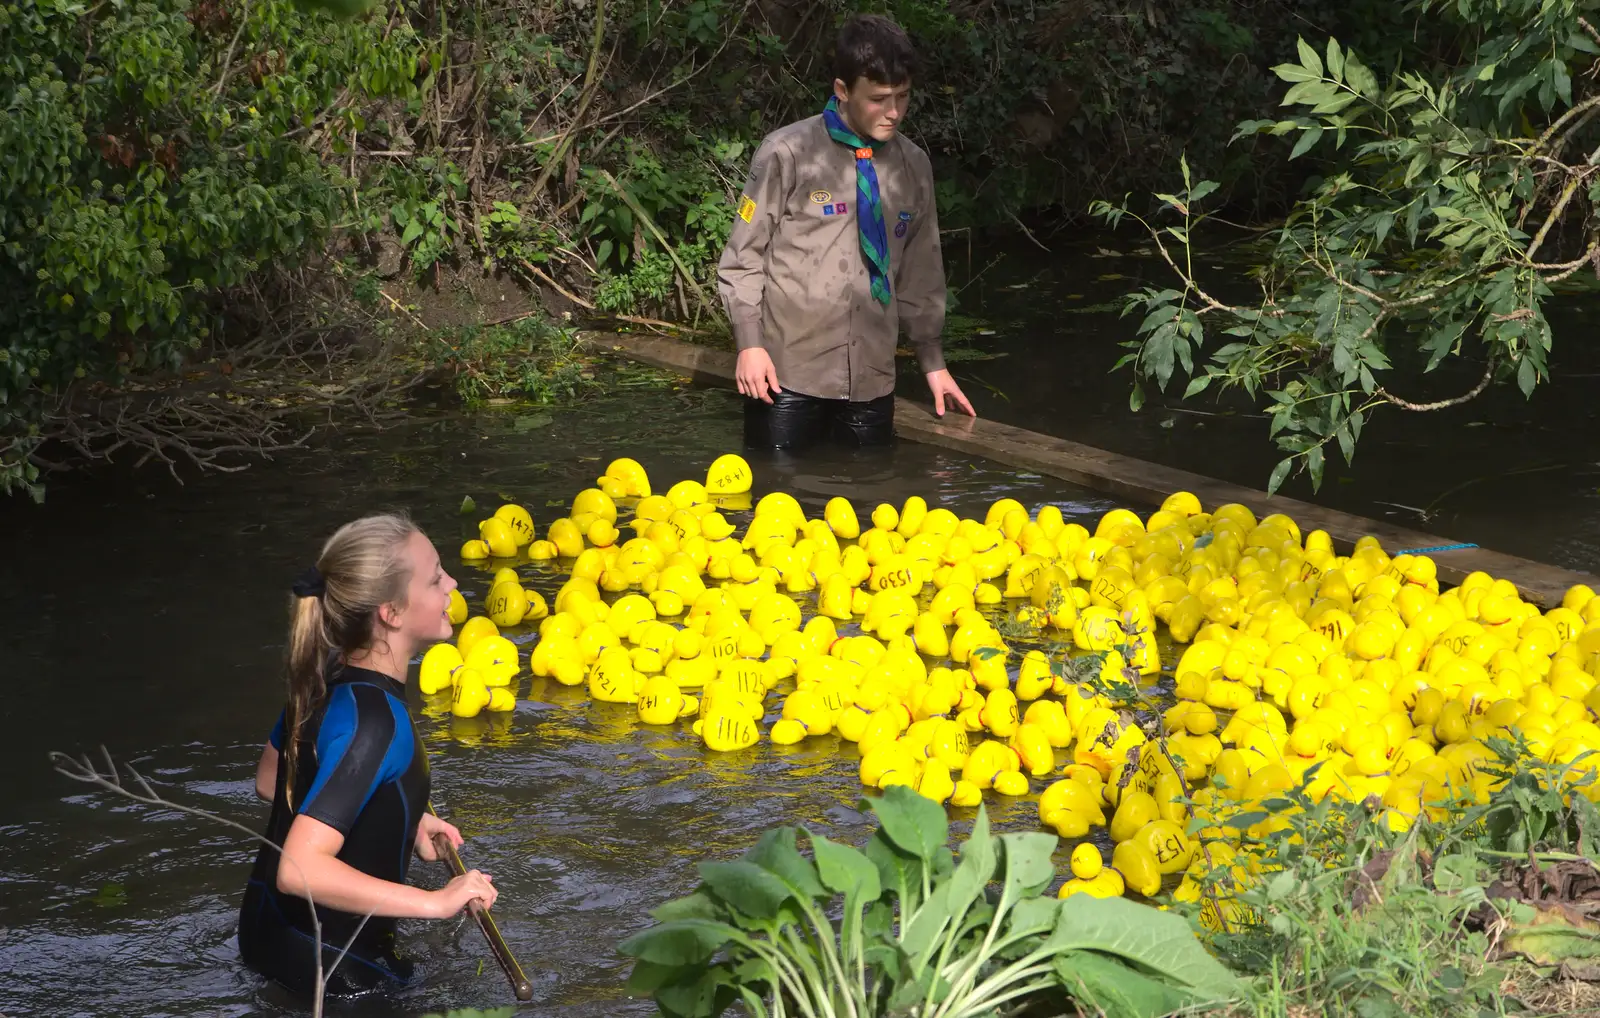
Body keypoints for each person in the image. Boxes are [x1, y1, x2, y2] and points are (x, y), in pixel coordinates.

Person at [238, 513, 498, 999]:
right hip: (340, 976)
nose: (453, 584)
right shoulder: (380, 723)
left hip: (265, 936)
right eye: (436, 576)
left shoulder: (322, 678)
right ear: (392, 613)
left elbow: (272, 783)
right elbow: (299, 869)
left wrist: (407, 818)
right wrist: (436, 902)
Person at [718, 13, 976, 452]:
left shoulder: (914, 166)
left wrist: (932, 361)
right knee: (773, 501)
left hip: (873, 379)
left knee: (870, 501)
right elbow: (742, 257)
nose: (893, 112)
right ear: (842, 90)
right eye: (878, 99)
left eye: (903, 96)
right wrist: (749, 345)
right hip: (785, 377)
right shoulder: (787, 153)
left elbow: (921, 270)